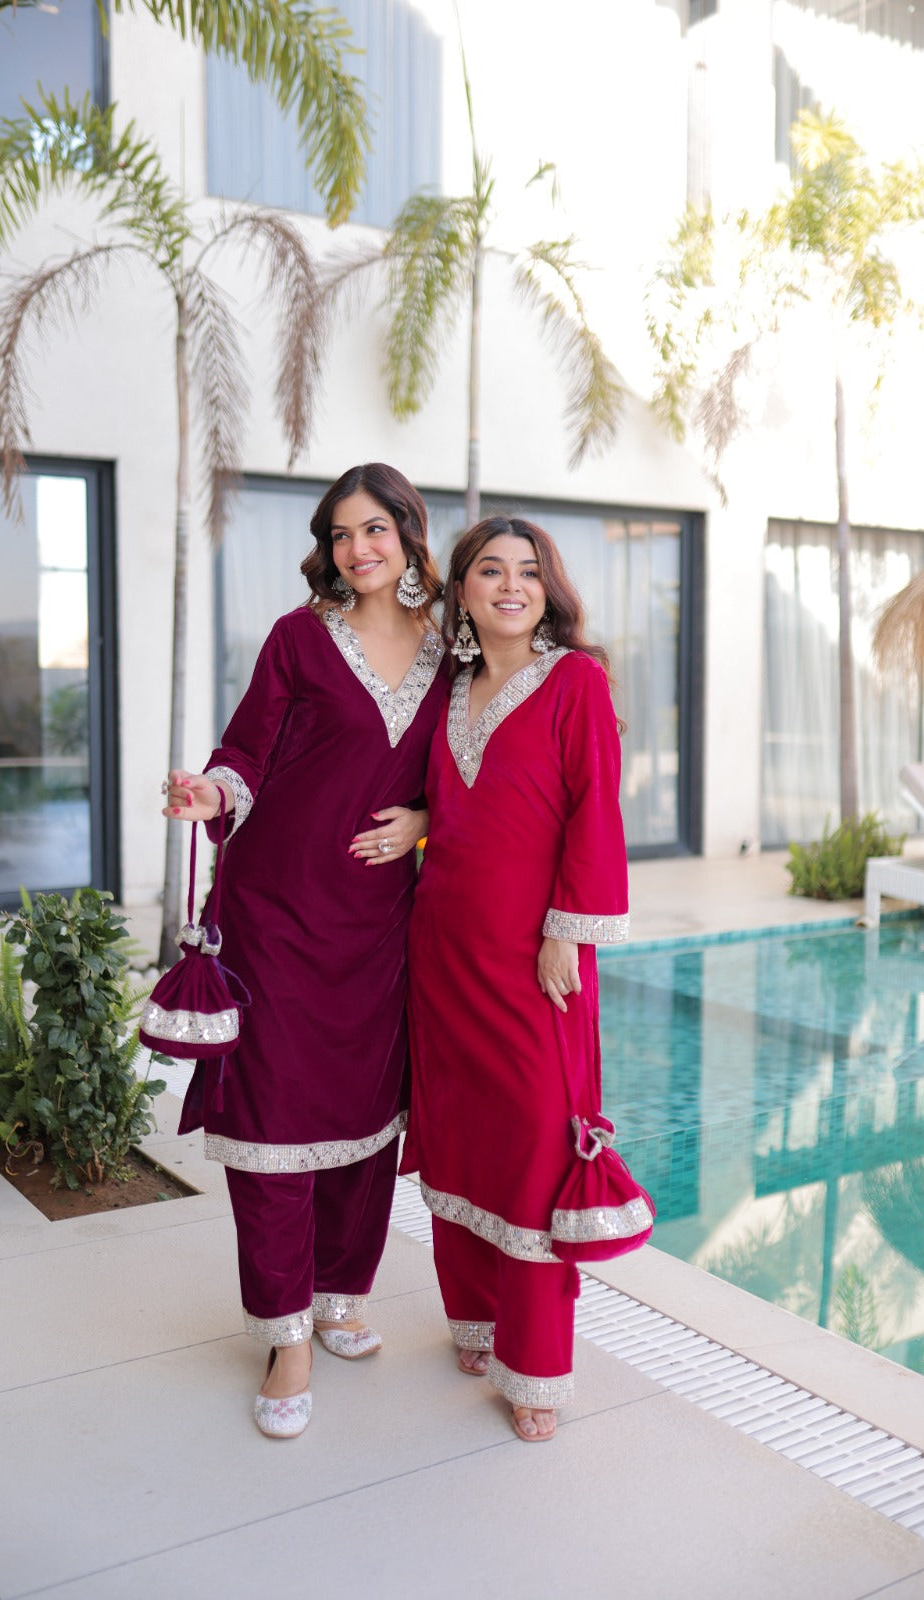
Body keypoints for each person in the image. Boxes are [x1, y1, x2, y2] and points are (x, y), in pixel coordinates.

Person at [161, 464, 446, 1439]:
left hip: (378, 924)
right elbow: (246, 749)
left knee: (365, 1119)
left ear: (408, 534)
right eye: (339, 534)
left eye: (374, 530)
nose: (356, 549)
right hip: (274, 914)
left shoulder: (451, 650)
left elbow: (470, 768)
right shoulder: (298, 637)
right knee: (275, 1123)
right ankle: (284, 1334)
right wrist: (211, 793)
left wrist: (424, 819)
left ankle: (338, 1293)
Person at [401, 514, 636, 1443]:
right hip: (442, 951)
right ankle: (474, 1321)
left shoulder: (575, 681)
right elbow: (453, 800)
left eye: (528, 573)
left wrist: (563, 934)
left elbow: (593, 812)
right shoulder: (448, 689)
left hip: (534, 957)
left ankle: (535, 1365)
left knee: (539, 1148)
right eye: (490, 571)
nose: (510, 586)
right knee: (461, 1140)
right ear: (460, 590)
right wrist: (413, 819)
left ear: (548, 591)